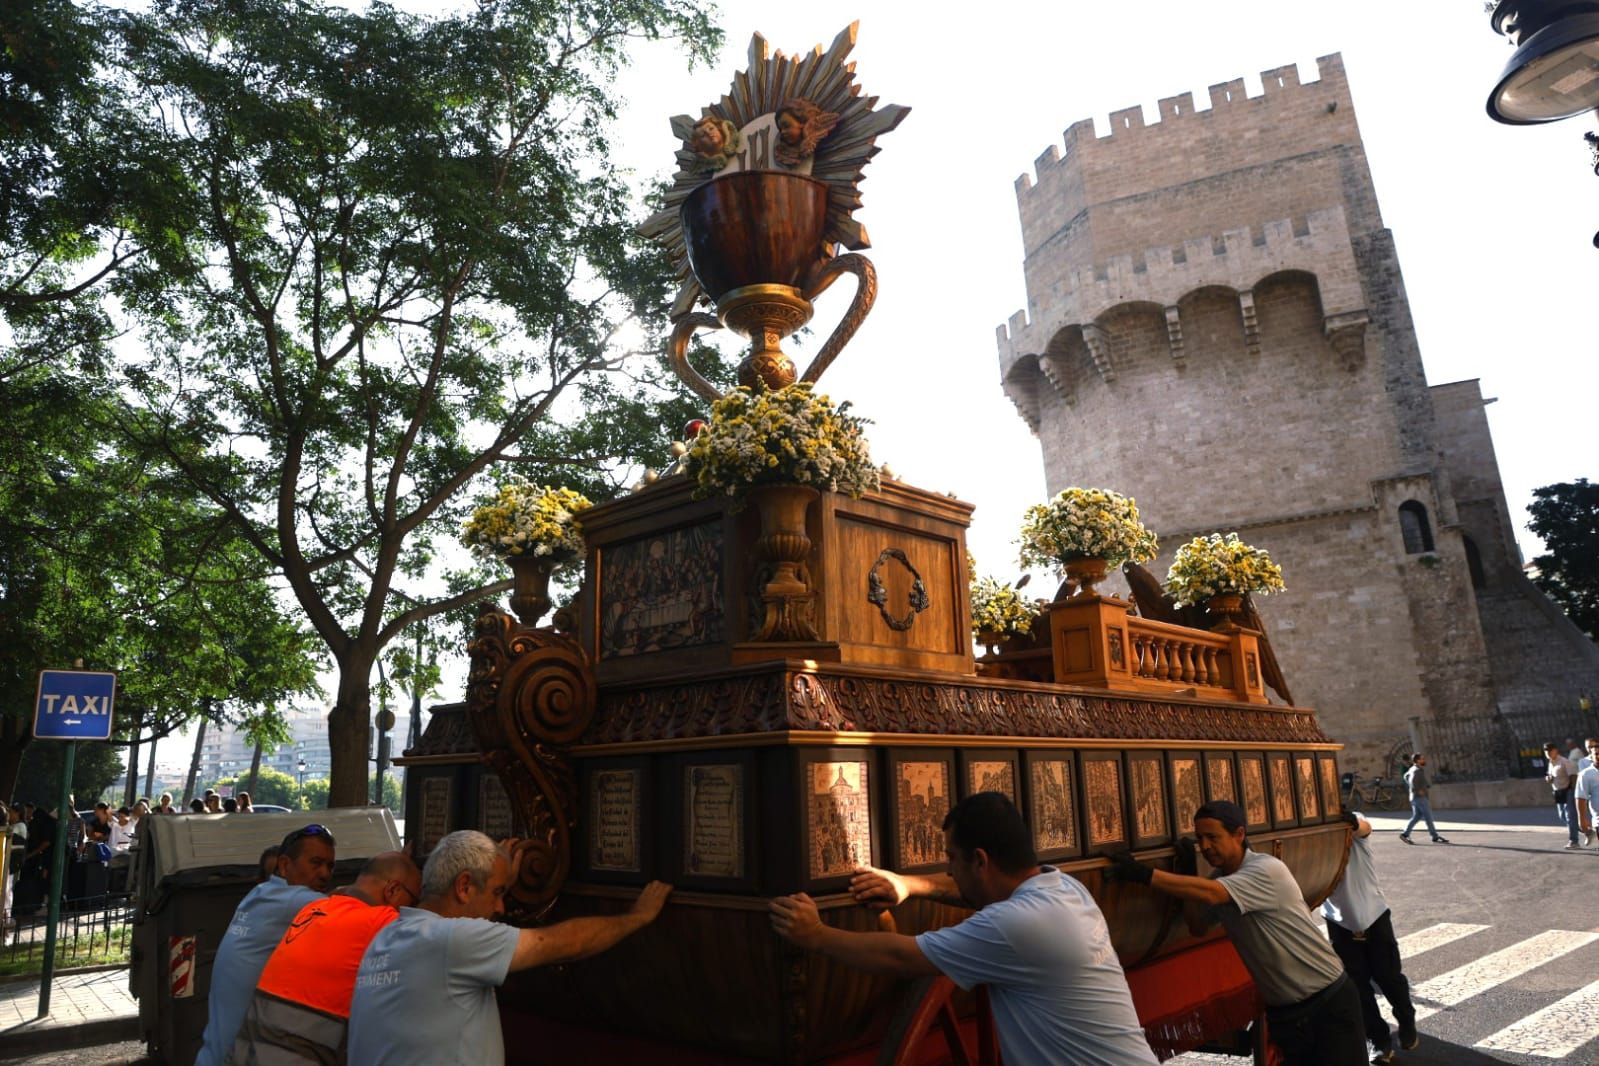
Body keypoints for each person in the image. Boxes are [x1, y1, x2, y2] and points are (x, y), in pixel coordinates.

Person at [770, 792, 1158, 1066]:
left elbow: (898, 955)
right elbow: (979, 892)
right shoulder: (1064, 888)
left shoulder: (1012, 925)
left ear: (980, 859)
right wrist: (911, 886)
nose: (949, 870)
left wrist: (816, 934)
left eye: (951, 859)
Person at [346, 830, 672, 1066]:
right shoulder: (451, 940)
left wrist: (493, 877)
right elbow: (562, 944)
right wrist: (636, 917)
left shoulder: (389, 937)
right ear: (463, 886)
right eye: (498, 892)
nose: (501, 907)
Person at [1108, 800, 1365, 1065]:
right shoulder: (1222, 881)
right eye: (1199, 838)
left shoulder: (1265, 869)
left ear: (1239, 834)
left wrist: (1144, 875)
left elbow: (1211, 893)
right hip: (1288, 1015)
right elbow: (1197, 926)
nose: (1205, 846)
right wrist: (1187, 871)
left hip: (1328, 1005)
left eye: (1213, 837)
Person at [229, 852, 422, 1065]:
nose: (411, 908)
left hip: (246, 1051)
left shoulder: (314, 909)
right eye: (413, 901)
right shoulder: (380, 919)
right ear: (393, 890)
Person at [195, 824, 337, 1066]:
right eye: (316, 862)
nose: (324, 873)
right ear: (284, 865)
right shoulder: (292, 901)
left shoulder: (259, 894)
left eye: (330, 866)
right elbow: (352, 908)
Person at [1322, 811, 1419, 1063]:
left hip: (1373, 916)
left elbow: (1365, 827)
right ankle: (1379, 1041)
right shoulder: (1315, 836)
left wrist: (1350, 822)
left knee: (1389, 978)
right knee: (1357, 989)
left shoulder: (1352, 822)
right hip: (1338, 922)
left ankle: (1406, 1017)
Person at [1399, 754, 1449, 845]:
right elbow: (1413, 781)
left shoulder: (1413, 769)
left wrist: (1419, 787)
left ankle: (1405, 834)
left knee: (1416, 816)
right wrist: (1418, 791)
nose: (1424, 760)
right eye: (1422, 759)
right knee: (1428, 817)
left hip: (1415, 797)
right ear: (1417, 760)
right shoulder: (1417, 770)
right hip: (1419, 798)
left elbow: (1405, 776)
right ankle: (1434, 836)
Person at [1544, 742, 1581, 849]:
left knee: (1570, 816)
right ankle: (1581, 829)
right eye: (1546, 751)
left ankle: (1574, 841)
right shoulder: (1551, 763)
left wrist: (1572, 792)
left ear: (1555, 750)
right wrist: (1549, 779)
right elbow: (1551, 776)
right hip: (1557, 792)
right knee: (1562, 816)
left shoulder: (1564, 761)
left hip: (1568, 791)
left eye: (1550, 750)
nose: (1548, 753)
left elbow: (1573, 776)